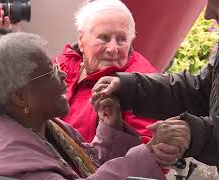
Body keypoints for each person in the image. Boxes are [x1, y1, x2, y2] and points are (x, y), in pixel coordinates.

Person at [91, 0, 219, 179]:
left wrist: (196, 133)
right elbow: (204, 92)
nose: (208, 14)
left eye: (217, 1)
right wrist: (132, 88)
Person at [0, 32, 190, 180]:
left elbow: (89, 166)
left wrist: (110, 129)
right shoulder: (12, 164)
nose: (62, 73)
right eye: (50, 71)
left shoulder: (46, 125)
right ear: (20, 98)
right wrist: (148, 153)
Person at [55, 0, 158, 144]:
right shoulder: (63, 64)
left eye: (122, 39)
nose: (112, 49)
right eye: (103, 38)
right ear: (81, 39)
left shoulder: (143, 85)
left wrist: (116, 130)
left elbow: (150, 157)